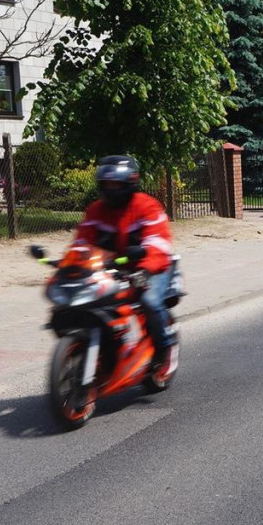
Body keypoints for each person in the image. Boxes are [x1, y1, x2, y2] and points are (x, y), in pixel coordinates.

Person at [72, 155, 177, 377]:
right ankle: (103, 349)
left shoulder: (147, 206)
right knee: (86, 303)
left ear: (129, 184)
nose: (111, 189)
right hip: (114, 269)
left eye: (117, 184)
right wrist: (73, 264)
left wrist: (145, 269)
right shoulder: (96, 210)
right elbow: (82, 242)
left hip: (152, 267)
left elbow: (158, 244)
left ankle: (164, 349)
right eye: (107, 184)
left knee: (149, 301)